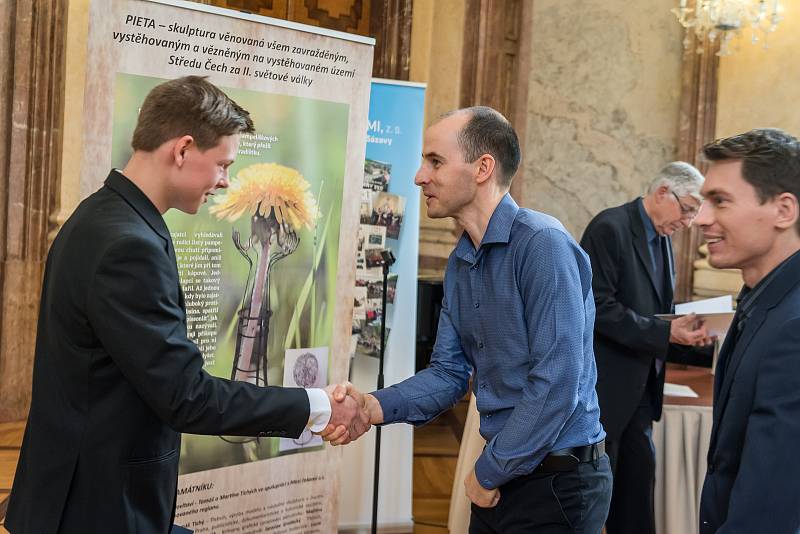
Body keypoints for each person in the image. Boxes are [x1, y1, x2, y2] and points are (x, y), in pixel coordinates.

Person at [5, 76, 367, 534]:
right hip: (99, 506)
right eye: (222, 165)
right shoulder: (127, 245)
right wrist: (317, 407)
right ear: (182, 149)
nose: (225, 182)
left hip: (81, 493)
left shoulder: (100, 215)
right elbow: (186, 396)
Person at [327, 106, 612, 533]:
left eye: (435, 161)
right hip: (504, 471)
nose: (419, 176)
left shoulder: (543, 245)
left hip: (557, 482)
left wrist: (488, 471)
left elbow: (556, 383)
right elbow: (448, 372)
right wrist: (373, 406)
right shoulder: (461, 263)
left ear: (483, 168)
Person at [579, 162, 713, 534]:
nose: (688, 222)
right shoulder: (610, 228)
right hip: (605, 389)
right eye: (687, 209)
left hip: (642, 389)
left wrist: (690, 332)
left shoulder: (663, 239)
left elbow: (656, 313)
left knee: (636, 497)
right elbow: (597, 308)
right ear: (661, 193)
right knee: (593, 498)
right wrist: (665, 333)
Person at [694, 129, 800, 533]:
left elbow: (769, 512)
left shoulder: (794, 327)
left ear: (783, 210)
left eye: (719, 201)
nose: (701, 219)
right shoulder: (759, 297)